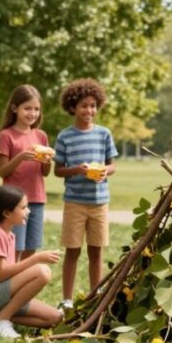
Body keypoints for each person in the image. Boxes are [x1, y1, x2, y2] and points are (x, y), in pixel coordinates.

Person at [53, 79, 118, 310]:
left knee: (96, 250)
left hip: (99, 202)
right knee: (72, 251)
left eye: (92, 105)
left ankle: (95, 295)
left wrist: (103, 171)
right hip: (74, 203)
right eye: (84, 106)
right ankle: (67, 299)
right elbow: (58, 170)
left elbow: (112, 165)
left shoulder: (104, 134)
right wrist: (76, 170)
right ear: (72, 107)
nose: (89, 110)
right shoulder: (64, 137)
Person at [0, 185, 63, 338]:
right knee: (42, 272)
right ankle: (0, 321)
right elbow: (1, 275)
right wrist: (36, 259)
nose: (28, 211)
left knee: (55, 318)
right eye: (23, 208)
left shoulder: (9, 235)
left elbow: (9, 274)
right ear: (6, 213)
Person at [0, 85, 53, 261]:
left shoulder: (41, 136)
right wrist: (20, 157)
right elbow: (2, 171)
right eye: (27, 108)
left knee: (31, 248)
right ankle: (10, 285)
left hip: (36, 199)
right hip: (14, 201)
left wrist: (48, 161)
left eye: (36, 109)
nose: (32, 113)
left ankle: (23, 283)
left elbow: (45, 173)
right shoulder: (6, 135)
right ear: (15, 108)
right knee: (15, 247)